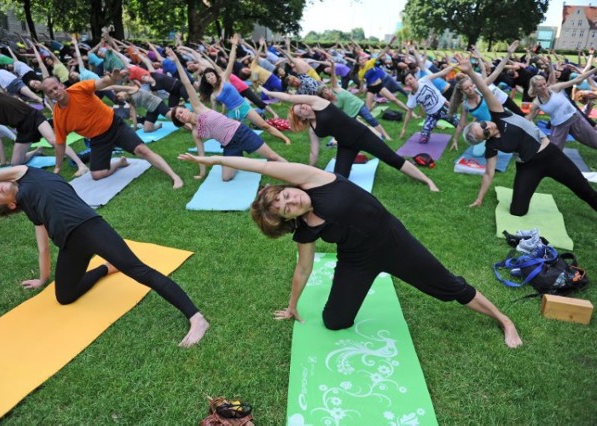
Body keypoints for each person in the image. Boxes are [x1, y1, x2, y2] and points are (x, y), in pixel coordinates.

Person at [178, 154, 522, 348]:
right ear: (288, 221)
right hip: (357, 259)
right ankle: (353, 293)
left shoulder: (312, 179)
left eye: (284, 196)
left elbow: (261, 166)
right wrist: (292, 306)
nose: (290, 201)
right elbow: (302, 270)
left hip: (393, 241)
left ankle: (504, 321)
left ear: (287, 188)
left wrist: (207, 158)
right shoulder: (306, 230)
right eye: (284, 209)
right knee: (334, 321)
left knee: (449, 286)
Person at [0, 166, 209, 347]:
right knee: (64, 296)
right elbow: (43, 247)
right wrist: (43, 279)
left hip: (90, 228)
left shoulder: (25, 173)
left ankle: (196, 318)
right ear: (10, 205)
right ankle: (105, 269)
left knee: (138, 270)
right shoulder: (32, 210)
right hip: (70, 246)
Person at [457, 53, 597, 215]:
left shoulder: (499, 115)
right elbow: (489, 173)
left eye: (483, 124)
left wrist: (471, 73)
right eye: (485, 132)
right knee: (517, 211)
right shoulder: (492, 145)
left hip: (550, 155)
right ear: (485, 139)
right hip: (528, 166)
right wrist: (479, 199)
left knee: (585, 191)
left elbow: (486, 92)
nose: (488, 127)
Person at [264, 89, 439, 191]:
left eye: (301, 106)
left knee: (393, 159)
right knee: (339, 179)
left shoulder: (318, 102)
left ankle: (428, 181)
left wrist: (267, 92)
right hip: (346, 145)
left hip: (362, 136)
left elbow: (289, 97)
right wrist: (310, 171)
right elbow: (314, 151)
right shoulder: (312, 128)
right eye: (299, 112)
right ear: (301, 118)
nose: (303, 108)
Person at [0, 44, 88, 174]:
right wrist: (3, 162)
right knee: (15, 163)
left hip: (33, 116)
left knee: (53, 140)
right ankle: (37, 151)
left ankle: (81, 164)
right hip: (22, 129)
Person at [40, 71, 183, 188]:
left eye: (55, 87)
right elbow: (60, 143)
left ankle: (174, 176)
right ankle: (120, 162)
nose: (55, 92)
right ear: (48, 96)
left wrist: (112, 78)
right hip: (97, 139)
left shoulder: (79, 88)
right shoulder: (59, 116)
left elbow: (101, 83)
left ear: (61, 85)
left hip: (115, 126)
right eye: (50, 92)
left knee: (142, 151)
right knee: (97, 175)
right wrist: (57, 168)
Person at [166, 49, 287, 181]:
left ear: (186, 109)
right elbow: (201, 154)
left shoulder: (198, 108)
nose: (181, 116)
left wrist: (177, 61)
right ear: (181, 122)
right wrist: (202, 173)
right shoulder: (196, 132)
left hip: (240, 132)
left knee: (272, 157)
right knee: (226, 178)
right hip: (229, 145)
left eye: (181, 112)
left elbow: (187, 83)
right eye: (179, 117)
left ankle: (295, 171)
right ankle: (239, 158)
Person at [526, 69, 597, 150]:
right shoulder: (536, 103)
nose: (543, 87)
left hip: (575, 118)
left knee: (595, 141)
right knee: (555, 150)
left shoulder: (554, 88)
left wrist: (595, 69)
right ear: (534, 88)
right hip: (559, 125)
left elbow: (578, 79)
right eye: (539, 86)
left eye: (544, 84)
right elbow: (529, 118)